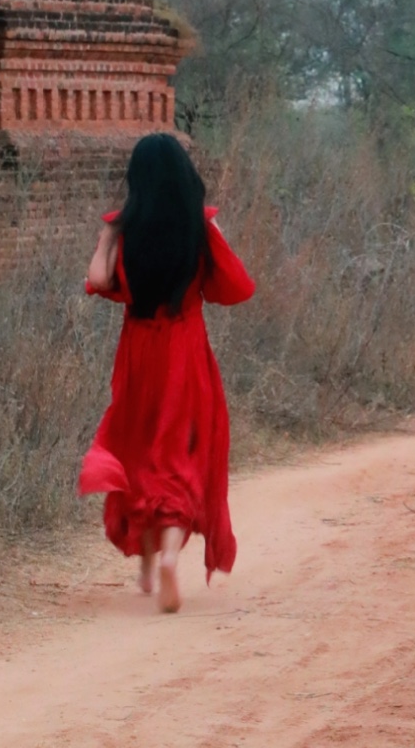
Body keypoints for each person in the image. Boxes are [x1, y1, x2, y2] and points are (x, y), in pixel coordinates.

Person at [79, 132, 256, 613]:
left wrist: (108, 236)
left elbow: (97, 280)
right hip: (186, 350)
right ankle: (171, 557)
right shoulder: (199, 227)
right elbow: (237, 287)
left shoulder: (124, 229)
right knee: (180, 455)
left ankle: (148, 562)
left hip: (139, 353)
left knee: (139, 454)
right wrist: (211, 236)